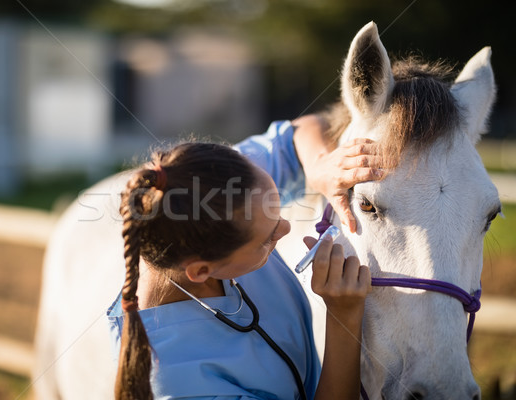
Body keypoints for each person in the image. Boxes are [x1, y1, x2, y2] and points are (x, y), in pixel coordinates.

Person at [107, 115, 383, 399]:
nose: (286, 228)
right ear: (202, 271)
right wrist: (343, 318)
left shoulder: (215, 183)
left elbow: (304, 130)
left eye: (278, 209)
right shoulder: (179, 382)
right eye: (266, 239)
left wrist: (320, 166)